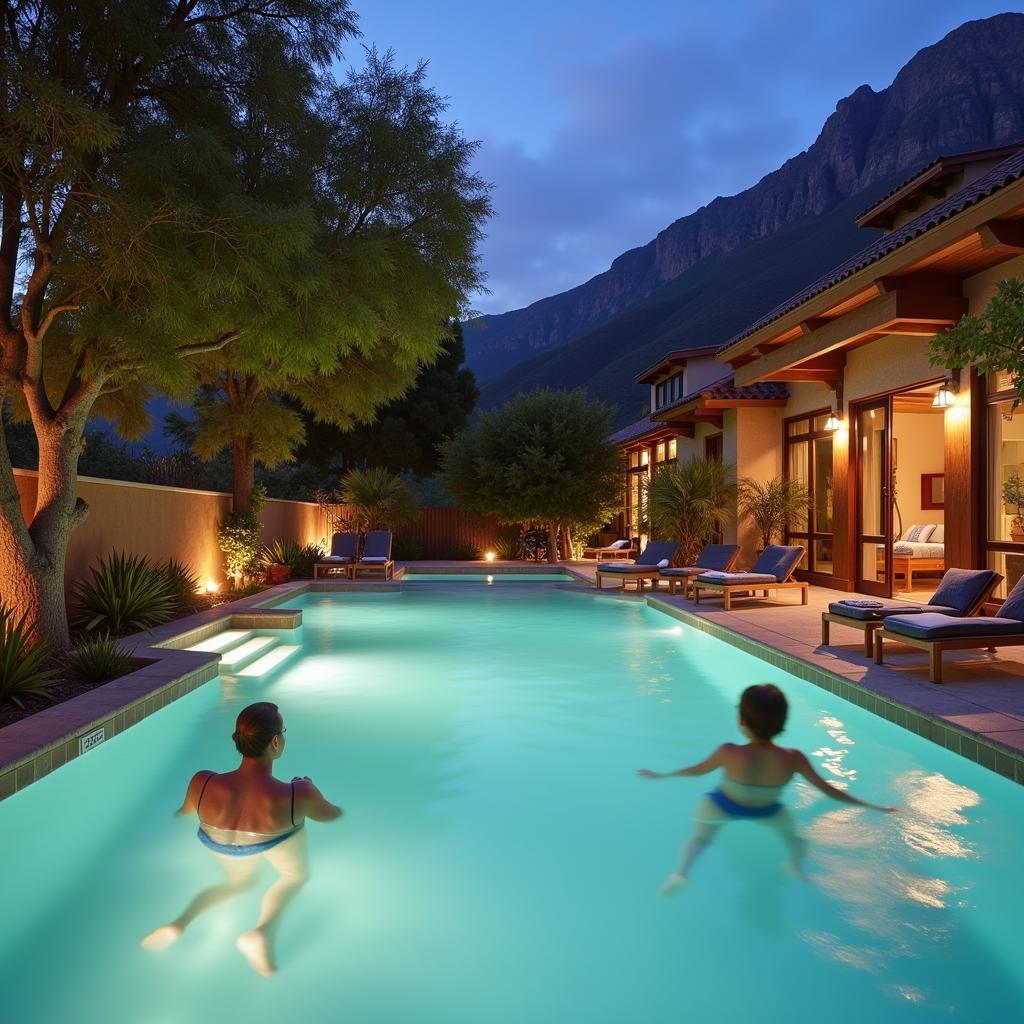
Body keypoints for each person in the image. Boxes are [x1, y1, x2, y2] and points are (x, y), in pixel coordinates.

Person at [141, 701, 342, 975]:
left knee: (238, 884)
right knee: (294, 876)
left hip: (215, 840)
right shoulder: (297, 793)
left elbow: (182, 814)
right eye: (283, 731)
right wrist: (309, 789)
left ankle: (180, 923)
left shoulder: (203, 781)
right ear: (275, 742)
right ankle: (262, 932)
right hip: (269, 839)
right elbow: (332, 816)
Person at [637, 683, 896, 895]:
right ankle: (794, 865)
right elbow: (827, 790)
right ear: (783, 722)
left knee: (700, 838)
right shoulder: (793, 758)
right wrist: (871, 805)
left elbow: (697, 770)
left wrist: (663, 775)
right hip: (767, 811)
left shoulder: (730, 752)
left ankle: (681, 873)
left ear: (741, 721)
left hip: (722, 805)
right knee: (795, 839)